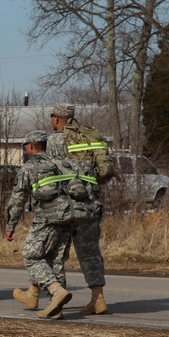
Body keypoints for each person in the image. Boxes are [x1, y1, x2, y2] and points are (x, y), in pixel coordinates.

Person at [47, 103, 112, 314]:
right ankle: (98, 298)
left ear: (56, 119)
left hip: (65, 205)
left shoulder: (55, 140)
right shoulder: (89, 135)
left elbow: (52, 173)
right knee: (90, 251)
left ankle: (57, 301)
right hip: (91, 203)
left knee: (57, 251)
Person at [5, 130, 77, 319]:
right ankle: (56, 308)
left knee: (30, 254)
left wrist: (10, 226)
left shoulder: (31, 166)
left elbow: (18, 199)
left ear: (30, 146)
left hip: (47, 218)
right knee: (56, 260)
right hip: (69, 217)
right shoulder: (60, 163)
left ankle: (55, 291)